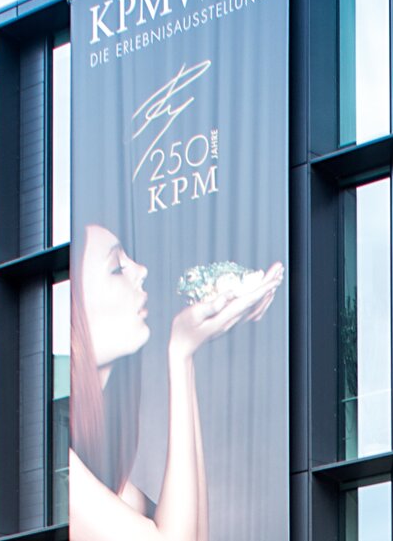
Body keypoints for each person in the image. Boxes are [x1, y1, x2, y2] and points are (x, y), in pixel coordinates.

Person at [68, 222, 283, 541]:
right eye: (116, 268)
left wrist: (185, 356)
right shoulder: (63, 475)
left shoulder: (105, 474)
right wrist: (180, 353)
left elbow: (196, 536)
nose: (141, 271)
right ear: (74, 310)